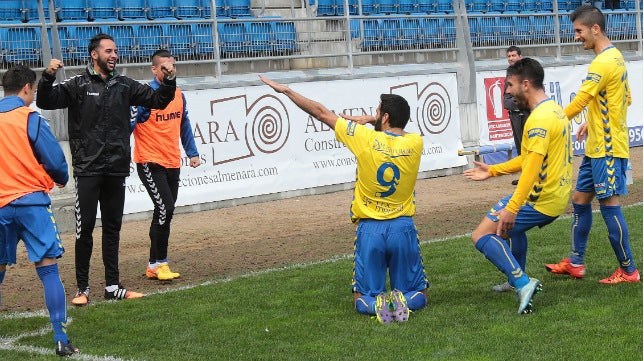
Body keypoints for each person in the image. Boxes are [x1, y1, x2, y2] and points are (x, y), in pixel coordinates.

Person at [259, 74, 429, 324]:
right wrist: (376, 119)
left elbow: (321, 113)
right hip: (402, 227)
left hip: (370, 229)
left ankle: (377, 307)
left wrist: (286, 91)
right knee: (419, 293)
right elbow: (398, 132)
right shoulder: (416, 143)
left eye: (377, 112)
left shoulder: (364, 138)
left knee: (362, 297)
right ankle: (402, 302)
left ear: (384, 117)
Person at [36, 33, 177, 306]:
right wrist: (47, 76)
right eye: (109, 51)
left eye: (116, 51)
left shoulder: (125, 85)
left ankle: (113, 286)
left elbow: (159, 100)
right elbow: (45, 101)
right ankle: (82, 289)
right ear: (94, 54)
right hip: (88, 170)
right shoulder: (77, 84)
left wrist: (169, 80)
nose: (114, 55)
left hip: (116, 169)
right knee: (84, 229)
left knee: (112, 229)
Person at [464, 58, 574, 314]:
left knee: (481, 235)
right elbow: (529, 158)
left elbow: (531, 169)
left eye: (511, 85)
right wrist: (493, 170)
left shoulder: (538, 120)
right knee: (512, 231)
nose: (508, 91)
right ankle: (517, 278)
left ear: (526, 84)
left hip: (540, 199)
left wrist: (512, 208)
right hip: (555, 195)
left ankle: (523, 283)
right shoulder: (555, 110)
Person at [545, 5, 640, 283]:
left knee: (610, 205)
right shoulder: (615, 57)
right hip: (596, 146)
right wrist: (593, 121)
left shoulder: (603, 62)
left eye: (579, 31)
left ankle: (629, 270)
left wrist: (554, 121)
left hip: (608, 148)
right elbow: (626, 98)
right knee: (579, 200)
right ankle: (575, 262)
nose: (576, 37)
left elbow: (582, 100)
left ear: (595, 29)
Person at [0, 65, 78, 356]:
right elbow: (56, 161)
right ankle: (60, 337)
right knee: (48, 270)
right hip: (31, 203)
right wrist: (60, 179)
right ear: (26, 89)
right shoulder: (30, 117)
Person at [132, 49, 201, 281]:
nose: (170, 70)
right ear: (154, 69)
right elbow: (130, 124)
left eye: (172, 66)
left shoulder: (179, 94)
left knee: (164, 213)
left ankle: (153, 264)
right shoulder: (145, 94)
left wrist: (192, 152)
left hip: (172, 161)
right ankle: (161, 263)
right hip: (150, 161)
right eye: (165, 67)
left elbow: (184, 124)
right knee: (165, 209)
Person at [503, 46, 531, 188]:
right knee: (520, 147)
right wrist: (518, 103)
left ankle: (534, 176)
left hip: (527, 115)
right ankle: (524, 177)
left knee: (530, 146)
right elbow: (506, 100)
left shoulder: (528, 72)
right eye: (509, 56)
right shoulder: (508, 75)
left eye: (513, 55)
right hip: (514, 116)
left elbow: (530, 97)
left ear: (520, 56)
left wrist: (519, 103)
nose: (511, 58)